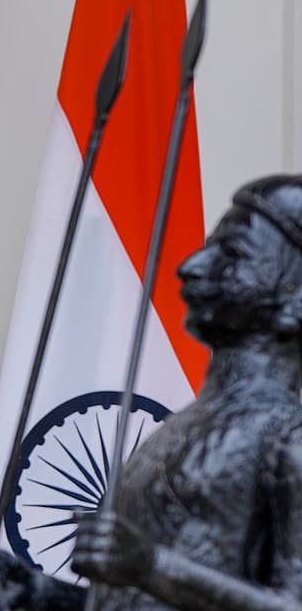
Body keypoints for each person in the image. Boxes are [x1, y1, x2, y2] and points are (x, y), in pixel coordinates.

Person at [71, 175, 302, 610]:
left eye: (232, 255)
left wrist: (151, 566)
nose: (192, 265)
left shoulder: (288, 435)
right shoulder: (186, 423)